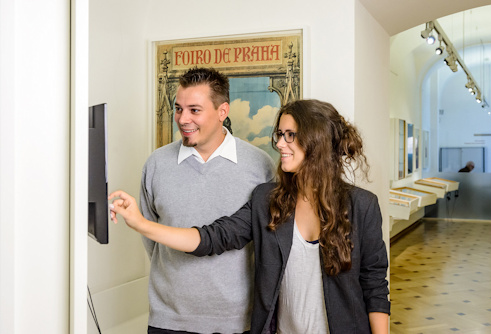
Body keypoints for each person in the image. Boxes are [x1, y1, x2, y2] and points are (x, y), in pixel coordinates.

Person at [110, 99, 390, 333]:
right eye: (280, 134)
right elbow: (213, 238)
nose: (280, 144)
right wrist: (142, 224)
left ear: (317, 140)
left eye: (290, 135)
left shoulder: (362, 206)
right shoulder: (268, 200)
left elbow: (374, 284)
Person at [136, 67, 275, 334]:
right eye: (178, 109)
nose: (183, 119)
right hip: (168, 320)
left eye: (194, 110)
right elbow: (153, 240)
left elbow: (266, 241)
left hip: (237, 322)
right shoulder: (156, 164)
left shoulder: (260, 166)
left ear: (222, 111)